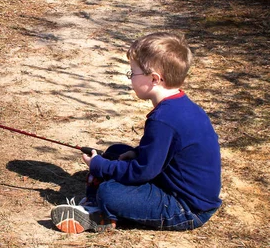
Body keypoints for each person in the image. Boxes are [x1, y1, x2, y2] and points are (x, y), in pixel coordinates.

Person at [51, 32, 222, 233]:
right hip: (180, 189)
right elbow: (166, 150)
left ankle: (99, 212)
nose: (130, 78)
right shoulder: (179, 106)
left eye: (133, 73)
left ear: (154, 79)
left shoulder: (163, 120)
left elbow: (142, 172)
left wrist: (99, 166)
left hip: (186, 208)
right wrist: (138, 152)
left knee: (109, 192)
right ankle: (101, 202)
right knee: (117, 151)